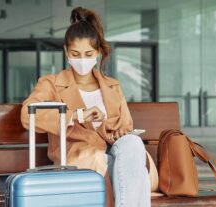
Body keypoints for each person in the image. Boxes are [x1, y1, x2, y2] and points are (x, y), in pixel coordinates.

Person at [21, 6, 151, 207]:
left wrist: (112, 130)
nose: (82, 60)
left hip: (114, 153)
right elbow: (27, 115)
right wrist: (77, 115)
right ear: (66, 51)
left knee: (133, 143)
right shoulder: (51, 83)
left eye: (88, 53)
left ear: (97, 52)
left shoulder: (112, 86)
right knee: (118, 166)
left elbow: (126, 127)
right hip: (80, 157)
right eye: (76, 53)